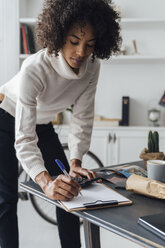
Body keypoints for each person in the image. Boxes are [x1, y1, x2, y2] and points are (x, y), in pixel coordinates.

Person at [0, 0, 121, 247]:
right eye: (74, 41)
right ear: (59, 35)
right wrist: (45, 183)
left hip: (42, 122)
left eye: (90, 44)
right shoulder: (35, 67)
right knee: (7, 197)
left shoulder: (92, 67)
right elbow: (24, 137)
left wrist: (76, 161)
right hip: (4, 115)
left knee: (69, 189)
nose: (81, 53)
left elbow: (83, 116)